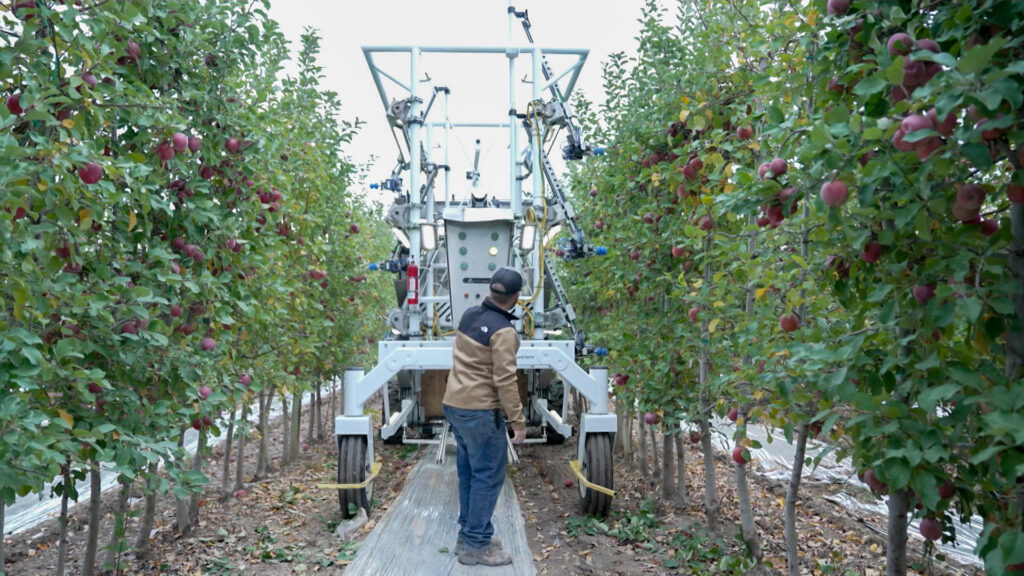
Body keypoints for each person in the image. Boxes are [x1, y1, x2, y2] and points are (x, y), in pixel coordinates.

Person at [442, 266, 527, 567]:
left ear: (491, 291)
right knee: (488, 476)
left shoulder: (469, 315)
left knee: (469, 474)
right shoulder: (504, 331)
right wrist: (517, 419)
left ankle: (468, 535)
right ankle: (477, 545)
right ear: (516, 296)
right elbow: (505, 380)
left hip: (455, 405)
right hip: (479, 411)